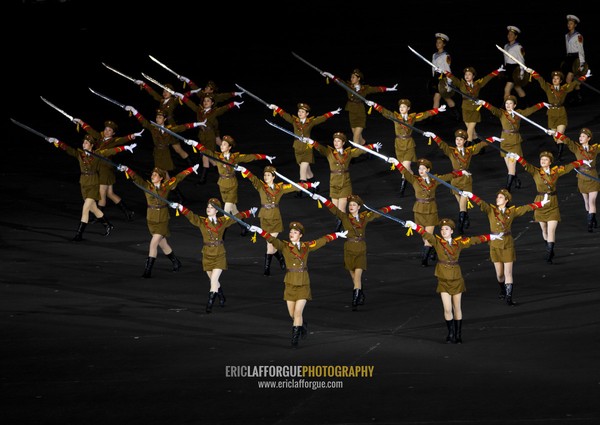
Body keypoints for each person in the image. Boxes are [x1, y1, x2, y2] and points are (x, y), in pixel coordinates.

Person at [248, 221, 348, 347]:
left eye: (295, 232)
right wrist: (259, 230)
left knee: (297, 313)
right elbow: (272, 239)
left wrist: (337, 234)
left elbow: (321, 241)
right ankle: (302, 324)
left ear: (300, 235)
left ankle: (294, 339)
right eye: (291, 232)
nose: (292, 234)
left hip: (303, 283)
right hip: (290, 283)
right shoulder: (284, 245)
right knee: (292, 314)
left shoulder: (306, 246)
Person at [404, 218, 503, 344]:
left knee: (457, 308)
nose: (443, 231)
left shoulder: (459, 242)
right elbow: (426, 234)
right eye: (442, 229)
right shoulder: (437, 241)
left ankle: (458, 334)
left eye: (446, 229)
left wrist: (491, 236)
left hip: (456, 278)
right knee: (447, 309)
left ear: (451, 231)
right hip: (443, 278)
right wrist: (414, 226)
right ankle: (450, 333)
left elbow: (474, 240)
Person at [312, 192, 401, 310]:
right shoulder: (344, 217)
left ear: (359, 207)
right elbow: (333, 208)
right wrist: (321, 198)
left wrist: (390, 207)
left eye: (354, 205)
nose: (351, 207)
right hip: (349, 249)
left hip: (361, 249)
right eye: (350, 205)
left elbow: (377, 213)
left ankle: (355, 300)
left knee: (357, 277)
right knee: (354, 277)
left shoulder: (365, 216)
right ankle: (361, 294)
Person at [460, 189, 549, 305]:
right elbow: (481, 203)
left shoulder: (511, 212)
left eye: (501, 197)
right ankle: (502, 288)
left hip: (507, 244)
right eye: (497, 197)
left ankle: (509, 297)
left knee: (508, 273)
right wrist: (471, 195)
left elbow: (525, 208)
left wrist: (541, 203)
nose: (498, 199)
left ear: (506, 200)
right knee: (500, 275)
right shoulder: (491, 210)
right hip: (495, 245)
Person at [170, 199, 257, 313]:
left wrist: (249, 212)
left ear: (217, 210)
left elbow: (236, 217)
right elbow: (191, 215)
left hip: (219, 254)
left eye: (211, 207)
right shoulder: (202, 221)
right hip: (207, 254)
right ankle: (221, 297)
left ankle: (209, 304)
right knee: (213, 280)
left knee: (214, 280)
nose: (208, 209)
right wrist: (180, 207)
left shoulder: (223, 221)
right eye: (208, 207)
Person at [506, 150, 592, 263]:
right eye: (542, 159)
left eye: (546, 159)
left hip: (552, 202)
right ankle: (548, 246)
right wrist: (518, 157)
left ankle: (549, 253)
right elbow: (526, 165)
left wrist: (582, 161)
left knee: (551, 230)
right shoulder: (536, 171)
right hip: (540, 202)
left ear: (550, 162)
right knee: (544, 229)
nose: (543, 161)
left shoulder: (555, 171)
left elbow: (568, 167)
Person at [46, 134, 135, 241]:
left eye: (86, 143)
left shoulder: (97, 154)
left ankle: (79, 235)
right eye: (84, 142)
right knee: (93, 208)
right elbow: (68, 149)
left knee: (85, 209)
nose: (84, 144)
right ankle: (107, 225)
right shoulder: (80, 154)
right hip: (83, 183)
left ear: (91, 145)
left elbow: (110, 151)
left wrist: (124, 147)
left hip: (93, 183)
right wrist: (56, 141)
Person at [118, 162, 199, 278]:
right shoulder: (147, 186)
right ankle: (176, 262)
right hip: (151, 219)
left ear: (161, 178)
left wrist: (191, 169)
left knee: (153, 244)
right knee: (163, 244)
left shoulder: (166, 186)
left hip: (162, 219)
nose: (152, 176)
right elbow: (136, 177)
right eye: (152, 175)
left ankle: (148, 270)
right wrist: (127, 169)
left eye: (155, 175)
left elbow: (179, 177)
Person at [183, 134, 275, 236]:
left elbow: (250, 157)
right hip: (222, 184)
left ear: (229, 147)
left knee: (226, 212)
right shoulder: (218, 156)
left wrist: (265, 157)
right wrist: (194, 143)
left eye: (224, 144)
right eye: (221, 144)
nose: (222, 146)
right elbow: (205, 151)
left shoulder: (234, 157)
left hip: (232, 185)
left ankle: (221, 235)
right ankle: (244, 226)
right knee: (233, 210)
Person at [234, 165, 319, 276]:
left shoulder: (280, 188)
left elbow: (294, 186)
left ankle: (266, 269)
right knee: (271, 243)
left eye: (268, 175)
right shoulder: (261, 186)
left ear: (274, 176)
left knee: (270, 243)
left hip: (275, 219)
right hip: (264, 218)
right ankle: (281, 259)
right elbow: (253, 178)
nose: (266, 177)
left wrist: (310, 184)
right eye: (265, 175)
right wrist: (245, 170)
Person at [387, 157, 470, 266]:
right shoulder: (415, 179)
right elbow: (405, 172)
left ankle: (424, 259)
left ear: (428, 169)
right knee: (423, 235)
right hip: (419, 210)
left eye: (423, 168)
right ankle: (435, 248)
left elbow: (448, 176)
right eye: (419, 169)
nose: (420, 171)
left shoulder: (434, 180)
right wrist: (397, 163)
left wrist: (461, 172)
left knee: (427, 235)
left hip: (431, 210)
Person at [125, 105, 206, 202]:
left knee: (165, 177)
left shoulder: (169, 129)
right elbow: (143, 121)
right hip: (157, 154)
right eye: (157, 117)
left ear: (164, 119)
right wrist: (134, 110)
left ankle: (177, 196)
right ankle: (178, 196)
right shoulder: (153, 127)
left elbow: (183, 127)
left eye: (160, 117)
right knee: (165, 177)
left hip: (165, 154)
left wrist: (197, 124)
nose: (157, 119)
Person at [366, 98, 445, 197]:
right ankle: (419, 184)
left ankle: (402, 190)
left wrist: (437, 110)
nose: (401, 108)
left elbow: (424, 114)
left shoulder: (412, 117)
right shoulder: (395, 116)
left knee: (405, 168)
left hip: (409, 145)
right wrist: (374, 104)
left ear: (408, 108)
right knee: (407, 171)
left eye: (404, 107)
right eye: (400, 107)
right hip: (398, 145)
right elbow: (384, 112)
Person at [308, 131, 382, 230]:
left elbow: (360, 150)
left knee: (341, 209)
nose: (336, 143)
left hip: (345, 183)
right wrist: (310, 141)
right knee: (335, 209)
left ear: (343, 143)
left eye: (338, 141)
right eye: (335, 141)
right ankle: (344, 222)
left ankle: (340, 227)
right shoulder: (329, 152)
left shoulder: (348, 153)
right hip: (333, 183)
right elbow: (319, 147)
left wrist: (372, 146)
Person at [422, 129, 491, 234]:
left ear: (464, 141)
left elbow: (480, 145)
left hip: (466, 180)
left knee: (463, 203)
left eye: (461, 139)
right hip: (455, 180)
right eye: (457, 139)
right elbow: (442, 144)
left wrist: (492, 139)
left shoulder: (469, 150)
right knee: (461, 204)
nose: (458, 141)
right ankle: (466, 218)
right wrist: (434, 135)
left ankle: (460, 226)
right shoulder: (451, 151)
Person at [73, 117, 141, 221]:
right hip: (101, 168)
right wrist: (81, 122)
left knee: (101, 194)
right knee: (110, 193)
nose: (106, 132)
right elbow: (90, 130)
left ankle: (99, 217)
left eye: (110, 130)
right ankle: (128, 211)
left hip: (105, 169)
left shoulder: (113, 140)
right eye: (106, 129)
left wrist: (132, 136)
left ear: (113, 133)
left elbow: (123, 139)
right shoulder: (99, 137)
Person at [268, 102, 340, 195]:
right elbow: (285, 115)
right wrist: (276, 107)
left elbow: (321, 118)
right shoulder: (295, 121)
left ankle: (301, 190)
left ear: (307, 114)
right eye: (299, 111)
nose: (300, 113)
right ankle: (315, 185)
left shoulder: (310, 122)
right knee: (307, 171)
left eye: (302, 112)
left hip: (307, 149)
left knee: (302, 171)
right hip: (297, 148)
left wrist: (333, 112)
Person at [476, 96, 546, 191]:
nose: (508, 105)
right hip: (504, 141)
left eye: (510, 104)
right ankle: (517, 180)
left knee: (511, 167)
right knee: (510, 168)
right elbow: (492, 109)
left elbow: (530, 110)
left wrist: (542, 104)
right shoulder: (502, 113)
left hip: (515, 142)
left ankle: (507, 189)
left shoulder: (519, 113)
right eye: (506, 103)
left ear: (515, 105)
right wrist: (484, 103)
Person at [525, 67, 592, 159]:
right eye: (554, 78)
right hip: (551, 114)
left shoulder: (564, 88)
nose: (555, 80)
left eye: (557, 79)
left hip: (561, 113)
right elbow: (540, 80)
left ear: (560, 81)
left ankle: (559, 156)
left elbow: (574, 83)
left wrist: (585, 77)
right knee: (555, 137)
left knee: (560, 136)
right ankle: (560, 150)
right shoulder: (548, 87)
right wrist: (533, 72)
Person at [320, 68, 398, 146]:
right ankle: (366, 150)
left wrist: (390, 89)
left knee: (355, 138)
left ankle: (356, 156)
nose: (351, 79)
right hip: (352, 113)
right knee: (359, 138)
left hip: (360, 113)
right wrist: (329, 75)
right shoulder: (349, 86)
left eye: (353, 77)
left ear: (359, 78)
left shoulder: (365, 89)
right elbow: (339, 81)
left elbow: (377, 89)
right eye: (351, 77)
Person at [179, 92, 244, 183]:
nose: (205, 102)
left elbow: (223, 108)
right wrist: (182, 97)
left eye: (208, 101)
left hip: (210, 136)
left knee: (206, 155)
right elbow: (191, 104)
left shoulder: (214, 112)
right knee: (211, 158)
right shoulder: (199, 110)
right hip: (202, 135)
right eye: (205, 101)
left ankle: (203, 178)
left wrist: (233, 103)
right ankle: (224, 169)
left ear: (212, 103)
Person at [133, 79, 193, 164]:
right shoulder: (161, 100)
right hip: (160, 126)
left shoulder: (173, 100)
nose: (164, 93)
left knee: (177, 149)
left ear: (171, 93)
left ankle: (192, 164)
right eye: (164, 91)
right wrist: (144, 84)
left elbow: (184, 96)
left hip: (170, 127)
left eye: (167, 91)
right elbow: (152, 92)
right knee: (160, 146)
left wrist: (192, 91)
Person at [440, 65, 504, 144]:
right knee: (472, 132)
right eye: (466, 74)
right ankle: (478, 143)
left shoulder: (478, 84)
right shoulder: (461, 84)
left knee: (469, 131)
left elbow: (487, 78)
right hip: (465, 109)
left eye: (469, 74)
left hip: (474, 109)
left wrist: (497, 71)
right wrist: (444, 71)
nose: (467, 76)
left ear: (473, 76)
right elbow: (452, 77)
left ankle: (467, 145)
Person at [550, 128, 599, 232]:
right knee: (586, 202)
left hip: (592, 177)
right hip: (582, 178)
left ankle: (589, 224)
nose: (580, 138)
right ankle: (593, 219)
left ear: (589, 138)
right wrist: (556, 133)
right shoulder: (576, 148)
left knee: (592, 201)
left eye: (583, 136)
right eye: (580, 136)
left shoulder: (594, 148)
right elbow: (567, 140)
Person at [178, 77, 244, 147]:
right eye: (206, 87)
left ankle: (228, 151)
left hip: (212, 119)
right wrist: (187, 80)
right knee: (212, 142)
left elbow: (225, 96)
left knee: (216, 140)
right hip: (203, 117)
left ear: (212, 90)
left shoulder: (215, 97)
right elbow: (195, 88)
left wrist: (236, 94)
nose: (205, 89)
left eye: (207, 88)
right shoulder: (202, 95)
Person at [429, 33, 459, 121]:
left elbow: (448, 70)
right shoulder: (434, 55)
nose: (438, 44)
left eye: (440, 43)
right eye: (437, 42)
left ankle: (456, 114)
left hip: (444, 79)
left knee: (445, 97)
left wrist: (449, 82)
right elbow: (433, 68)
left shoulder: (446, 55)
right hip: (437, 79)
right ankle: (434, 116)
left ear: (444, 44)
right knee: (438, 97)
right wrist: (433, 77)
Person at [501, 25, 530, 105]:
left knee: (507, 89)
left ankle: (505, 108)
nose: (509, 36)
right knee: (517, 87)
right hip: (508, 69)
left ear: (515, 36)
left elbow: (522, 61)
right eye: (508, 34)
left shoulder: (518, 47)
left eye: (511, 34)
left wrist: (521, 74)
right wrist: (504, 69)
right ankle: (525, 104)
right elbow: (505, 59)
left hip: (515, 70)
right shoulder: (506, 46)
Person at [562, 14, 586, 104]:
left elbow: (581, 49)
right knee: (575, 79)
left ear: (575, 25)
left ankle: (571, 98)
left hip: (576, 58)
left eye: (571, 23)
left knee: (568, 80)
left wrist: (582, 63)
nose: (569, 25)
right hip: (569, 58)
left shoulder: (578, 36)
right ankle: (578, 97)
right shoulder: (566, 35)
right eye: (568, 23)